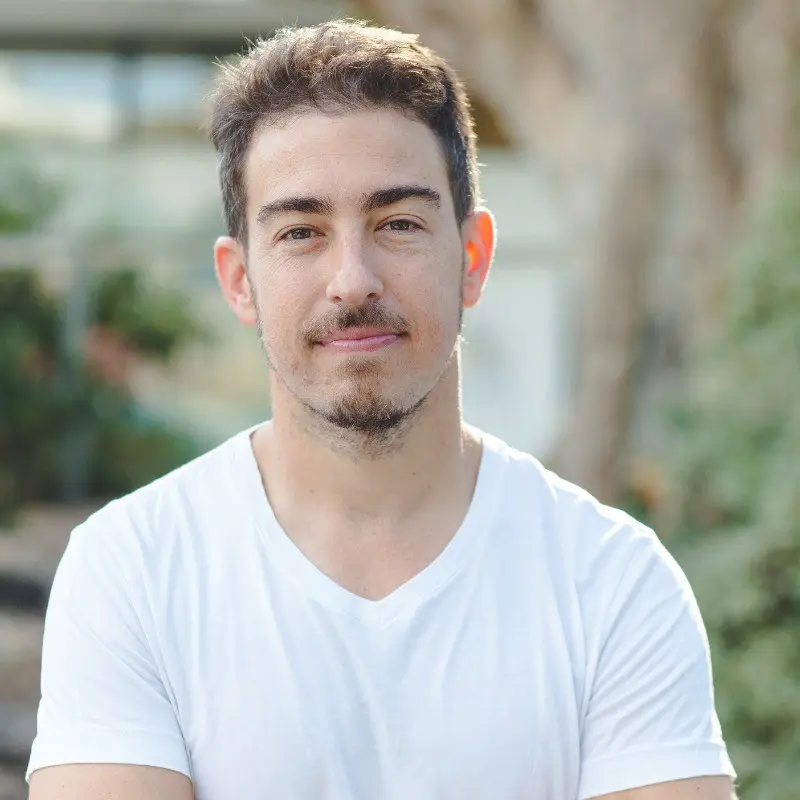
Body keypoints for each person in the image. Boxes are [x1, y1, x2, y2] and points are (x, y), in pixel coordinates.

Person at [27, 20, 737, 800]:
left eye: (398, 223)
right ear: (239, 281)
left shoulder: (611, 582)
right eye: (302, 232)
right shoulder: (134, 570)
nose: (352, 280)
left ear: (472, 258)